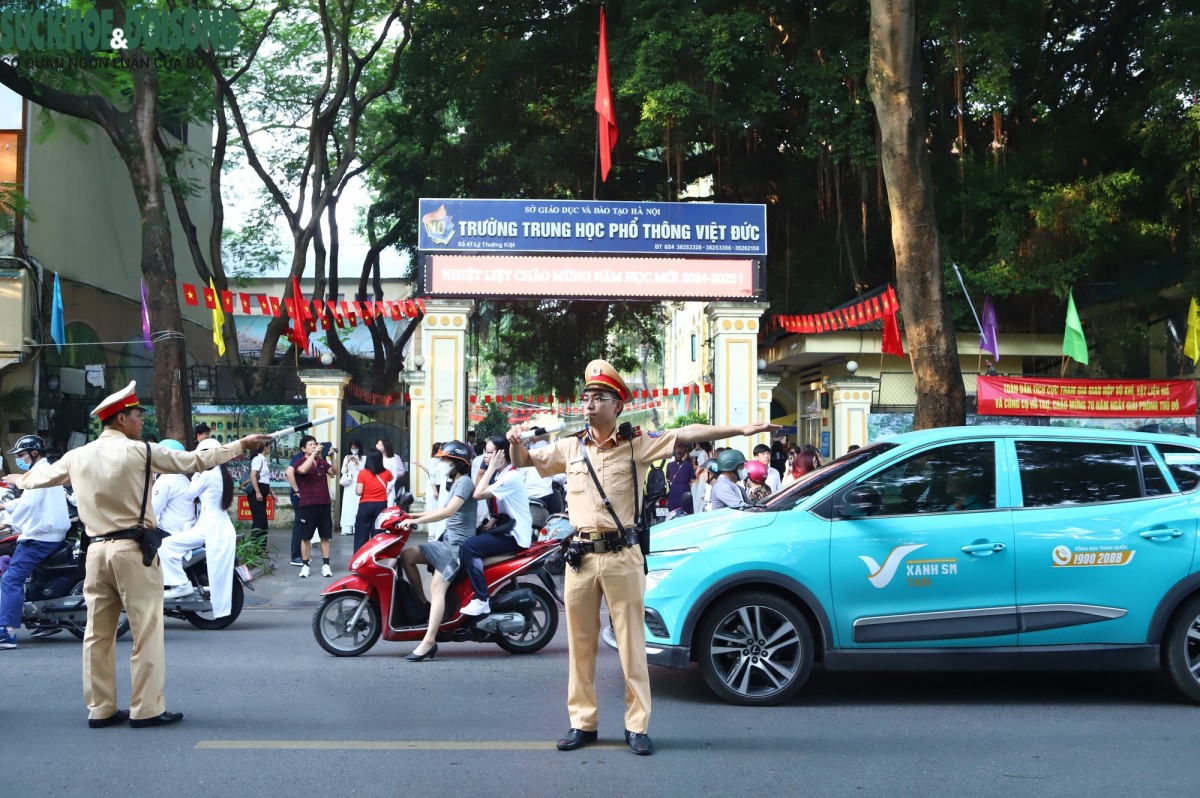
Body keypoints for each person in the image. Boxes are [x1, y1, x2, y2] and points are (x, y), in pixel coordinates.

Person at [507, 359, 778, 756]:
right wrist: (515, 442)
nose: (589, 403)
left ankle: (637, 725)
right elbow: (523, 462)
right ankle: (582, 722)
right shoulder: (569, 447)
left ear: (617, 406)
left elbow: (686, 432)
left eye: (599, 397)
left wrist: (740, 430)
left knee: (632, 645)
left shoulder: (637, 443)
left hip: (622, 555)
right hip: (580, 558)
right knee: (580, 646)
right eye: (586, 397)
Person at [15, 381, 270, 728]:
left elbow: (36, 478)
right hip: (132, 551)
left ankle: (101, 709)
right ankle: (146, 708)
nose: (141, 421)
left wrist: (16, 479)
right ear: (121, 419)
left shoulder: (77, 456)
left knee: (97, 634)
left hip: (95, 553)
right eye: (137, 415)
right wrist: (241, 444)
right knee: (146, 630)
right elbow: (197, 460)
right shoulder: (142, 452)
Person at [397, 441, 478, 661]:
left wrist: (417, 521)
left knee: (437, 587)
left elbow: (448, 512)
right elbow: (441, 509)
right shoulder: (456, 482)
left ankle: (429, 641)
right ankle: (424, 606)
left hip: (457, 546)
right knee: (407, 556)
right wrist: (409, 515)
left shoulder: (465, 482)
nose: (442, 463)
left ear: (457, 463)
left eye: (445, 460)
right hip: (447, 541)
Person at [0, 436, 71, 649]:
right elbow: (27, 502)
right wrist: (5, 508)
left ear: (34, 453)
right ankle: (47, 621)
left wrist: (7, 522)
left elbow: (28, 506)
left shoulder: (38, 474)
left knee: (11, 579)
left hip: (39, 538)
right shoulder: (44, 472)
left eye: (22, 455)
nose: (20, 459)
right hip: (48, 535)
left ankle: (6, 631)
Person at [161, 439, 237, 617]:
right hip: (215, 525)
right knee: (217, 571)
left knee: (166, 545)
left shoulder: (208, 475)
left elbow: (189, 494)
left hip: (209, 527)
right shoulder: (222, 474)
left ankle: (181, 584)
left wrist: (196, 471)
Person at [459, 437, 532, 616]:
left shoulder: (510, 477)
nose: (485, 456)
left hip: (515, 536)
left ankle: (481, 599)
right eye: (485, 451)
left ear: (502, 455)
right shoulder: (502, 475)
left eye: (489, 452)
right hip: (508, 528)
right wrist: (494, 519)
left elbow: (477, 494)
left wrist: (490, 468)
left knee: (469, 547)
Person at [152, 440, 199, 600]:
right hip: (185, 528)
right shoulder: (182, 478)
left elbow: (152, 510)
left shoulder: (167, 480)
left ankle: (176, 585)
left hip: (171, 532)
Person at [294, 436, 337, 577]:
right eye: (311, 445)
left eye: (315, 444)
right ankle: (305, 566)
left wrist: (332, 456)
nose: (314, 446)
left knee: (325, 536)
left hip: (324, 503)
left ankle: (326, 565)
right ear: (303, 449)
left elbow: (335, 472)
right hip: (308, 504)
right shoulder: (300, 461)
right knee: (306, 537)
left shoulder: (322, 462)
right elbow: (302, 471)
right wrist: (313, 455)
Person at [353, 450, 392, 552]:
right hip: (381, 505)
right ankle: (378, 556)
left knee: (361, 535)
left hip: (365, 505)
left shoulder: (362, 473)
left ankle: (360, 557)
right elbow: (391, 480)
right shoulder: (387, 472)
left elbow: (359, 492)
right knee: (379, 534)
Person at [413, 443, 448, 540]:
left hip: (439, 486)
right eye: (441, 448)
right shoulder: (434, 460)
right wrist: (434, 490)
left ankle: (436, 533)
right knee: (433, 510)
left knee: (438, 510)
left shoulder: (441, 460)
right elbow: (431, 474)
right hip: (434, 487)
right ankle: (432, 534)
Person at [247, 440, 275, 551]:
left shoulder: (264, 460)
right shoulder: (257, 459)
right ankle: (255, 547)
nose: (270, 449)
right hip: (256, 493)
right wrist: (258, 492)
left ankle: (261, 547)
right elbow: (253, 476)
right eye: (269, 447)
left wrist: (272, 493)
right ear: (265, 447)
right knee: (259, 520)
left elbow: (265, 480)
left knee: (263, 520)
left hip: (263, 491)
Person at [339, 440, 364, 536]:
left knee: (357, 505)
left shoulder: (363, 458)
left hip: (359, 483)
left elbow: (363, 470)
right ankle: (347, 528)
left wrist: (357, 462)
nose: (354, 450)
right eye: (352, 448)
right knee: (348, 505)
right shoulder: (346, 457)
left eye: (356, 448)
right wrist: (347, 462)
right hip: (349, 484)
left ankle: (356, 527)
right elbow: (343, 471)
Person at [375, 437, 405, 505]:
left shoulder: (392, 459)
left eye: (381, 445)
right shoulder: (376, 458)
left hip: (388, 488)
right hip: (377, 488)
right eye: (378, 445)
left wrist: (388, 489)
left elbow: (394, 476)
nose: (378, 447)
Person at [665, 443, 694, 513]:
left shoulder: (669, 465)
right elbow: (693, 479)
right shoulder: (688, 465)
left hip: (673, 491)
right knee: (685, 511)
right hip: (684, 490)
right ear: (685, 454)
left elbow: (668, 478)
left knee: (673, 512)